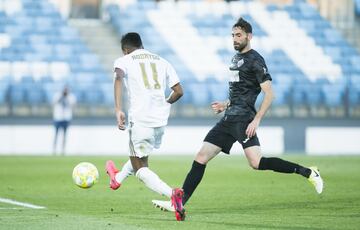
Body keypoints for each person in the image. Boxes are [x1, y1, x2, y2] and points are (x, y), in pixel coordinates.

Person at [152, 17, 324, 212]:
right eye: (233, 35)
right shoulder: (235, 59)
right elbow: (241, 92)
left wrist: (256, 119)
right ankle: (179, 203)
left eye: (239, 35)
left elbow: (270, 94)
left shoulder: (256, 60)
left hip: (244, 120)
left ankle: (308, 172)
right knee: (201, 157)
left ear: (249, 36)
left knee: (257, 163)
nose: (234, 39)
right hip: (228, 119)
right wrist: (225, 104)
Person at [105, 32, 185, 221]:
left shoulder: (124, 60)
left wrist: (118, 109)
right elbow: (179, 92)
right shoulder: (162, 61)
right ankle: (117, 179)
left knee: (140, 168)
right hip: (160, 121)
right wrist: (164, 103)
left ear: (125, 49)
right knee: (139, 158)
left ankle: (172, 194)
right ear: (141, 45)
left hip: (140, 119)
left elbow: (118, 78)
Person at [52, 86, 76, 155]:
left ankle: (63, 150)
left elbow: (73, 106)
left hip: (66, 118)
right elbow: (54, 103)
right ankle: (54, 149)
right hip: (58, 118)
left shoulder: (71, 97)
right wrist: (61, 97)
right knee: (56, 134)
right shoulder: (58, 95)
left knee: (64, 135)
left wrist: (67, 99)